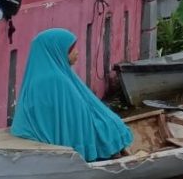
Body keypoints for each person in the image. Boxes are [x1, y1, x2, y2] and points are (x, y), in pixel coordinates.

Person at [10, 28, 133, 162]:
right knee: (109, 127)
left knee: (108, 123)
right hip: (66, 132)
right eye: (72, 48)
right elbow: (79, 113)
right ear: (58, 50)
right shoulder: (55, 79)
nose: (77, 52)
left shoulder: (49, 74)